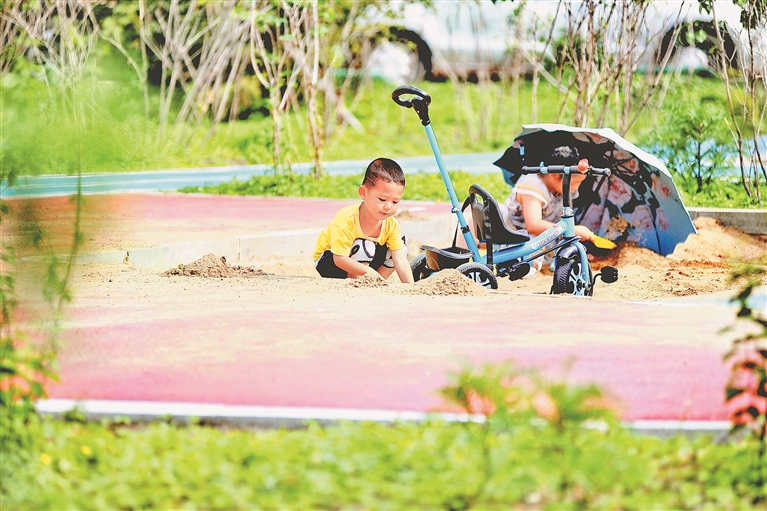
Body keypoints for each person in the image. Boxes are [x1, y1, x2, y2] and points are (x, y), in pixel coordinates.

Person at [313, 158, 415, 283]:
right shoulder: (347, 218)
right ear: (363, 193)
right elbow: (339, 259)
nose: (388, 207)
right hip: (330, 261)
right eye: (382, 199)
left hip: (366, 262)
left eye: (395, 202)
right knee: (365, 246)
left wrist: (411, 287)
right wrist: (370, 273)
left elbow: (400, 259)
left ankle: (378, 283)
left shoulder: (391, 224)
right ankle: (357, 284)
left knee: (401, 249)